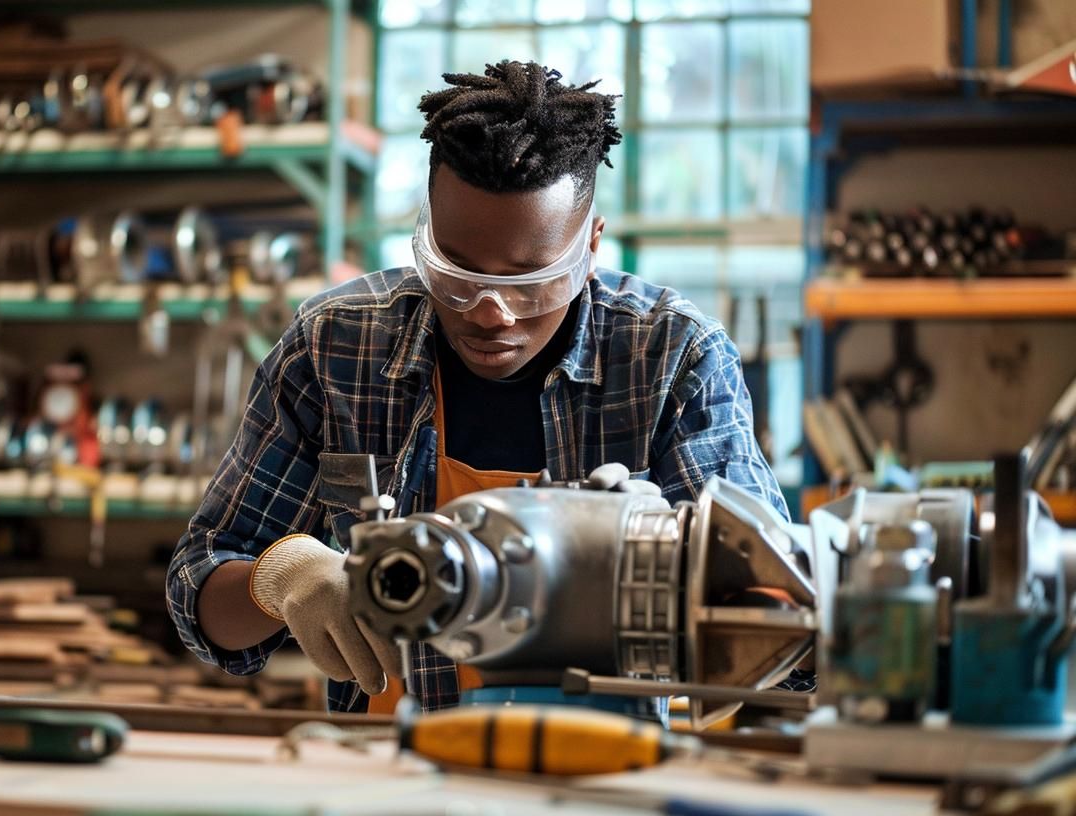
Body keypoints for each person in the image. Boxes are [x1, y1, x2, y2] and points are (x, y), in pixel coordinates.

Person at [167, 60, 788, 714]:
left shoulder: (671, 358)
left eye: (530, 283)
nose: (492, 314)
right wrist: (279, 578)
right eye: (457, 274)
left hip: (599, 784)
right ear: (427, 230)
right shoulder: (334, 348)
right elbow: (195, 598)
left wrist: (679, 570)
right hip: (389, 778)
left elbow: (779, 631)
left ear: (592, 245)